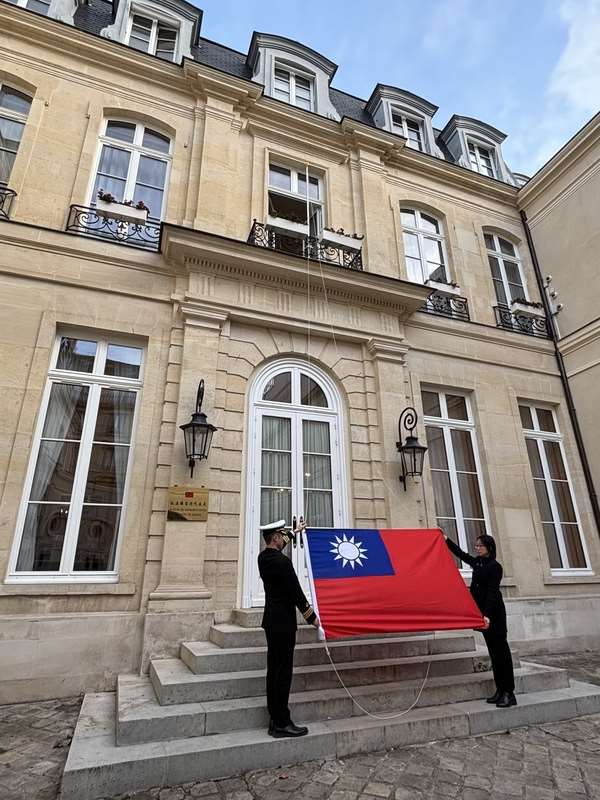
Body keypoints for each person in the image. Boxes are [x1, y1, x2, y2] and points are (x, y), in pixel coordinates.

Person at [258, 518, 320, 738]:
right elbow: (297, 594)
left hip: (270, 622)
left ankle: (274, 719)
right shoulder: (283, 563)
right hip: (284, 624)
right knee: (283, 673)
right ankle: (283, 722)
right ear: (275, 538)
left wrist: (295, 531)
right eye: (281, 536)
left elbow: (282, 541)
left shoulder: (263, 558)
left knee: (273, 670)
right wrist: (312, 618)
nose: (283, 539)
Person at [444, 533, 517, 708]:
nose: (477, 548)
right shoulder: (478, 562)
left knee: (502, 654)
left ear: (489, 547)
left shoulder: (495, 567)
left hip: (494, 616)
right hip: (483, 616)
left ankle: (509, 692)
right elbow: (461, 554)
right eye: (476, 545)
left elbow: (492, 593)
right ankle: (500, 690)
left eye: (480, 546)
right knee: (493, 654)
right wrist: (446, 539)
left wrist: (487, 616)